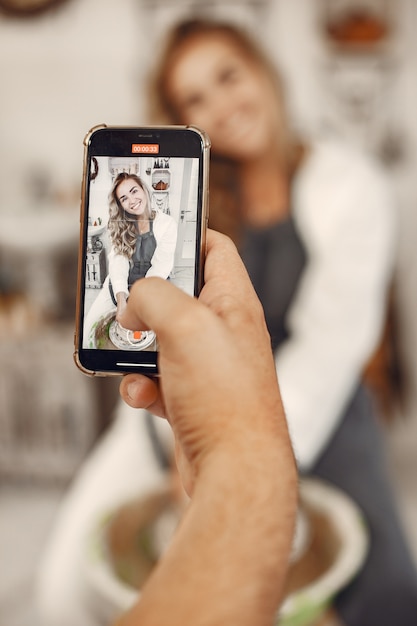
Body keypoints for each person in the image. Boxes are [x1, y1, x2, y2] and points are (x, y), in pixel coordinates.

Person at [143, 17, 417, 626]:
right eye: (195, 99)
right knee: (80, 583)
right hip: (194, 396)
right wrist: (184, 439)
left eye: (227, 76)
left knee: (389, 593)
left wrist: (236, 453)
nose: (221, 105)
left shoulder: (352, 184)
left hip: (325, 403)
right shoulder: (189, 203)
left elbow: (329, 349)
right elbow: (168, 338)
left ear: (262, 70)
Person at [111, 229, 298, 625]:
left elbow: (331, 350)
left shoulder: (343, 190)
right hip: (174, 406)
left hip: (292, 402)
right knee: (64, 585)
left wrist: (249, 436)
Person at [83, 172, 178, 347]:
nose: (132, 200)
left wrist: (138, 302)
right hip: (118, 287)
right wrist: (121, 300)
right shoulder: (119, 224)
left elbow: (159, 268)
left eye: (134, 191)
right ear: (121, 205)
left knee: (165, 340)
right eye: (124, 198)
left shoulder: (167, 224)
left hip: (152, 287)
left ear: (144, 190)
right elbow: (119, 263)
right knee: (88, 331)